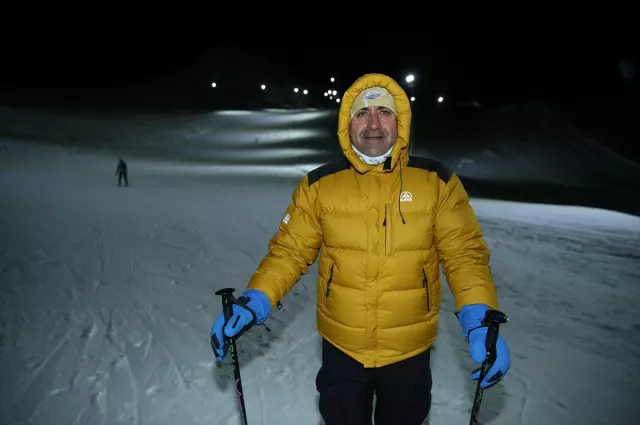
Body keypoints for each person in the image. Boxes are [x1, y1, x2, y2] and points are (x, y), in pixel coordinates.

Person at [210, 73, 510, 425]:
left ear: (400, 120)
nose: (372, 124)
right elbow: (289, 252)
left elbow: (464, 254)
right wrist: (256, 299)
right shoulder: (319, 186)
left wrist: (478, 316)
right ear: (346, 124)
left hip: (409, 351)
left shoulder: (436, 182)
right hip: (343, 350)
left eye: (384, 112)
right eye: (361, 114)